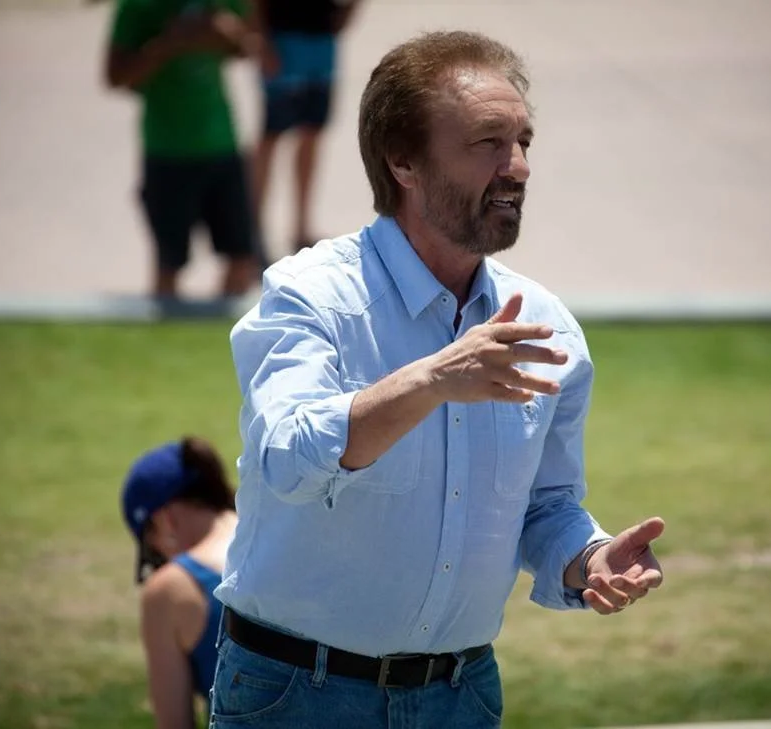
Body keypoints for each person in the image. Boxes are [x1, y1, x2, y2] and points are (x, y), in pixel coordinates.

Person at [211, 30, 667, 728]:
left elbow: (542, 506)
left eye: (523, 142)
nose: (518, 168)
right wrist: (432, 379)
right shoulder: (311, 296)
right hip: (297, 694)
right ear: (403, 161)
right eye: (488, 143)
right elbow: (287, 461)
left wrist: (590, 556)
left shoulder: (546, 328)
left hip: (461, 695)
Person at [104, 0, 263, 300]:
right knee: (169, 265)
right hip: (166, 150)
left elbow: (254, 48)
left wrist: (228, 34)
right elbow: (114, 76)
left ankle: (225, 332)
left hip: (223, 144)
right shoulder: (138, 7)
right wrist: (166, 45)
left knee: (242, 260)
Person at [120, 437, 239, 729]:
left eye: (152, 551)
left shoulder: (170, 591)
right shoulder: (284, 537)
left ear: (165, 521)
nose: (161, 560)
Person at [248, 0, 364, 255]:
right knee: (271, 135)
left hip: (322, 42)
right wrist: (261, 41)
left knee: (312, 132)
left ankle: (301, 227)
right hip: (283, 40)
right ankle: (252, 228)